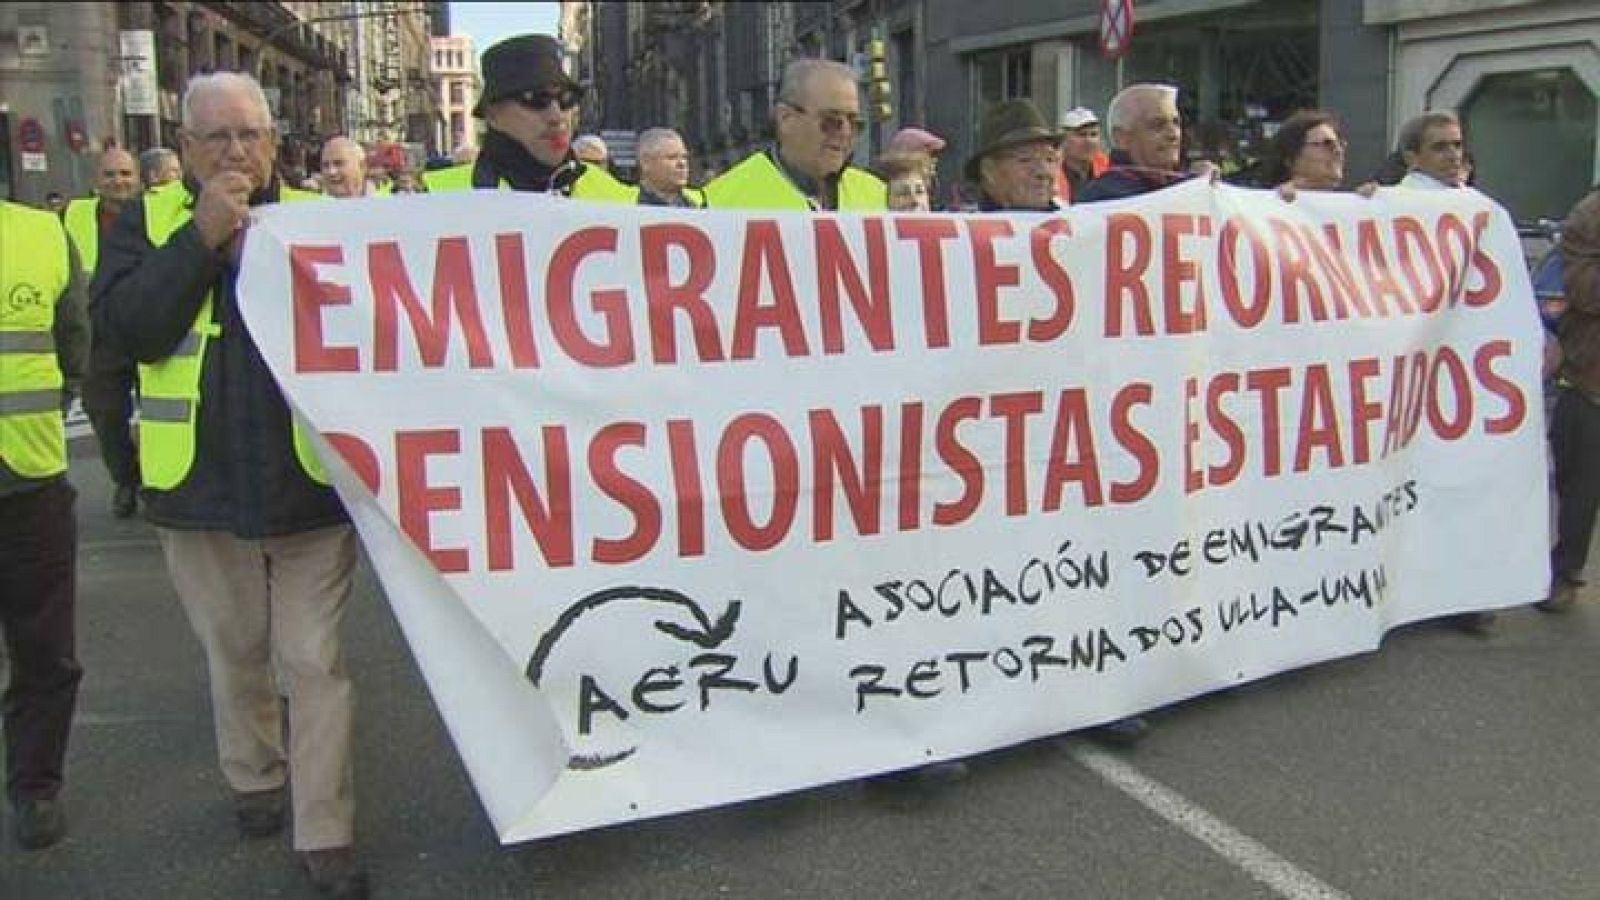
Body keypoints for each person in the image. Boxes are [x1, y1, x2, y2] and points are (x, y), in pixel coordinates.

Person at [93, 72, 367, 899]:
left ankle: (327, 831)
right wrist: (200, 241)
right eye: (215, 137)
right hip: (198, 490)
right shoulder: (146, 223)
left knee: (313, 661)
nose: (235, 151)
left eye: (250, 135)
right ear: (184, 148)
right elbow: (128, 331)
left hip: (310, 486)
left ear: (275, 143)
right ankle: (255, 775)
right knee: (236, 652)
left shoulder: (321, 220)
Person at [0, 198, 89, 850]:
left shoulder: (42, 234)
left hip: (29, 480)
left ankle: (35, 788)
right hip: (29, 474)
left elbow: (72, 345)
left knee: (44, 650)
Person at [421, 34, 630, 202]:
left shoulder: (621, 199)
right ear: (493, 115)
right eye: (535, 99)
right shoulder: (430, 197)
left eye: (567, 99)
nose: (557, 116)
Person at [64, 148, 143, 518]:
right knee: (105, 413)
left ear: (138, 179)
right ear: (96, 180)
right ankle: (126, 478)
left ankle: (161, 483)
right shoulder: (73, 216)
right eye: (110, 174)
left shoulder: (157, 214)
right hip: (98, 334)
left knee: (162, 416)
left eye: (126, 174)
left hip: (149, 329)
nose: (118, 182)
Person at [704, 58, 885, 211]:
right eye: (831, 121)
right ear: (786, 118)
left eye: (854, 123)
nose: (845, 133)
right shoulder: (720, 205)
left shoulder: (879, 197)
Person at [1540, 186, 1600, 613]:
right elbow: (1587, 291)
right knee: (1579, 484)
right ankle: (1565, 571)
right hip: (1590, 377)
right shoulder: (1591, 213)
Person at [1077, 83, 1195, 203]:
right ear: (1121, 138)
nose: (1173, 134)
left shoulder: (1192, 186)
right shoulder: (1102, 198)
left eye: (1176, 123)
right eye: (1158, 125)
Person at [967, 99, 1061, 211]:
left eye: (1050, 159)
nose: (1043, 171)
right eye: (1025, 159)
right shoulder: (964, 220)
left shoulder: (1071, 219)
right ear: (989, 170)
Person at [1396, 111, 1467, 190]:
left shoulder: (1471, 195)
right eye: (1440, 147)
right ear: (1411, 158)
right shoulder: (1395, 196)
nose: (1454, 155)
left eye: (1457, 145)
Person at [634, 127, 704, 207]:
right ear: (646, 162)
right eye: (672, 157)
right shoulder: (627, 203)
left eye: (684, 157)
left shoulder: (699, 204)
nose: (682, 163)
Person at [1055, 106, 1110, 204]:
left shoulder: (1108, 168)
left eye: (1093, 134)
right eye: (1081, 135)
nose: (1089, 141)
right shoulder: (1051, 171)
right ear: (1063, 139)